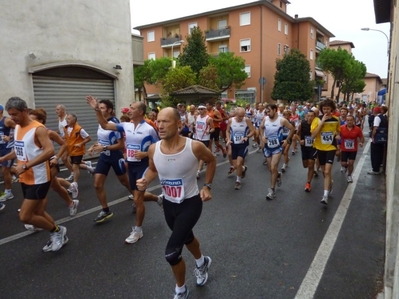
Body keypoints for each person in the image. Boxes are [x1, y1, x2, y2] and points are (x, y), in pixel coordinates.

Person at [136, 107, 216, 299]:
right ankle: (202, 261)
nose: (159, 125)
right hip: (169, 205)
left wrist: (207, 186)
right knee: (187, 237)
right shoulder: (153, 149)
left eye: (165, 121)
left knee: (172, 253)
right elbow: (153, 169)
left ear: (179, 124)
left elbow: (211, 161)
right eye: (158, 121)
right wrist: (146, 180)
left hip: (190, 203)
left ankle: (181, 289)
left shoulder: (194, 146)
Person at [86, 96, 160, 244]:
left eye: (132, 108)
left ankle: (138, 230)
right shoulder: (126, 125)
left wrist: (145, 154)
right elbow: (105, 125)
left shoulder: (149, 129)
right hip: (131, 166)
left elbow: (158, 148)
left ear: (140, 112)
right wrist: (96, 109)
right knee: (136, 195)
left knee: (138, 199)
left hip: (143, 166)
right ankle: (158, 199)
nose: (129, 110)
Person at [0, 97, 67, 251]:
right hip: (25, 177)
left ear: (25, 111)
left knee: (25, 216)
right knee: (38, 212)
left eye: (15, 114)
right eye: (10, 115)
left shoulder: (38, 128)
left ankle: (57, 231)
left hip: (39, 178)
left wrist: (27, 165)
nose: (13, 118)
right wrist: (4, 158)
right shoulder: (17, 128)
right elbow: (18, 150)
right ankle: (57, 233)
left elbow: (50, 150)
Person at [87, 99, 133, 223]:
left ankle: (136, 197)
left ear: (110, 110)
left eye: (102, 108)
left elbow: (121, 145)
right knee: (97, 184)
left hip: (115, 156)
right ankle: (106, 210)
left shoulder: (115, 124)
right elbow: (101, 139)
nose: (100, 109)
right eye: (99, 107)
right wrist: (94, 145)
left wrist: (104, 147)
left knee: (125, 182)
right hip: (104, 156)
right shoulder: (101, 121)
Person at [28, 108, 79, 218]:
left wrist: (57, 158)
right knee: (56, 187)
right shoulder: (29, 133)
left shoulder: (48, 132)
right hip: (37, 165)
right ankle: (71, 202)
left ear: (40, 121)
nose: (29, 122)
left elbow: (64, 144)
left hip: (50, 163)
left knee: (43, 191)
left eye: (32, 119)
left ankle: (38, 216)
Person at [259, 104, 295, 199]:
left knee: (273, 166)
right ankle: (278, 175)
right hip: (267, 147)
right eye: (266, 111)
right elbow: (261, 128)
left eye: (269, 110)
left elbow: (292, 129)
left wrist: (287, 140)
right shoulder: (265, 119)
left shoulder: (282, 120)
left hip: (277, 147)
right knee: (271, 169)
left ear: (275, 110)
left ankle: (272, 190)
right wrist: (262, 136)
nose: (267, 112)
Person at [311, 99, 341, 205]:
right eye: (324, 109)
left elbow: (338, 132)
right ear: (321, 110)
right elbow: (313, 135)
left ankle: (325, 196)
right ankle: (330, 183)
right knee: (324, 172)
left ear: (332, 109)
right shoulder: (316, 120)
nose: (326, 111)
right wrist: (322, 122)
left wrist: (338, 136)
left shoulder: (336, 119)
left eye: (328, 108)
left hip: (331, 148)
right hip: (320, 148)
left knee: (327, 171)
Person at [225, 107, 255, 190]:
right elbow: (227, 131)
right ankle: (243, 168)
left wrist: (247, 137)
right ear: (236, 114)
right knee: (235, 166)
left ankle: (238, 181)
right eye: (240, 116)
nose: (241, 118)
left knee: (238, 164)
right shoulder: (231, 120)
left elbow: (253, 130)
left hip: (243, 145)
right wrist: (228, 139)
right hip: (234, 144)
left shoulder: (246, 120)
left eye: (243, 116)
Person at [63, 113, 93, 186]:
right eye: (67, 119)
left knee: (75, 166)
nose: (67, 120)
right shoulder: (66, 128)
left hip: (78, 151)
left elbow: (89, 138)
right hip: (71, 150)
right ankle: (90, 168)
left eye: (69, 119)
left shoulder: (79, 129)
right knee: (75, 164)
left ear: (74, 120)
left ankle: (74, 184)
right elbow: (67, 137)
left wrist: (80, 144)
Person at [339, 115, 364, 183]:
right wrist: (337, 141)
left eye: (351, 120)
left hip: (353, 149)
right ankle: (345, 166)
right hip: (344, 149)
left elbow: (361, 137)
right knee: (344, 163)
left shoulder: (357, 129)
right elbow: (337, 135)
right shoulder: (341, 128)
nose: (349, 122)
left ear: (353, 121)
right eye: (348, 120)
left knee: (351, 163)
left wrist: (361, 142)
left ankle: (349, 175)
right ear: (346, 121)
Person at [296, 110, 317, 191]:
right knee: (306, 165)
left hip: (314, 147)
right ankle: (312, 170)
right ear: (306, 116)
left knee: (311, 163)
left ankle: (308, 183)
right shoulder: (302, 124)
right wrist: (299, 140)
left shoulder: (316, 125)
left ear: (314, 117)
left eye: (312, 116)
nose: (310, 117)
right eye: (308, 116)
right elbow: (296, 134)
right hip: (304, 146)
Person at [0, 104, 16, 202]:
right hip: (0, 148)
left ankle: (8, 192)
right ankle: (17, 173)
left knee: (5, 170)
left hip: (8, 148)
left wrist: (10, 138)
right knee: (7, 169)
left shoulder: (7, 121)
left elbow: (19, 129)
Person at [194, 104, 214, 179]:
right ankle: (198, 168)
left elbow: (213, 128)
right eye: (199, 109)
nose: (200, 110)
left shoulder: (208, 119)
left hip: (205, 138)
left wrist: (209, 131)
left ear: (205, 110)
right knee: (197, 154)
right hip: (197, 137)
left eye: (202, 109)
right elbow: (196, 125)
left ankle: (198, 171)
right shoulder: (197, 117)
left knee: (201, 155)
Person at [56, 104, 74, 181]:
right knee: (71, 160)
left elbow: (70, 132)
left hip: (69, 141)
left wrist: (62, 137)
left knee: (64, 158)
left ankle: (73, 173)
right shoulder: (59, 119)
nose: (56, 111)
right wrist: (54, 133)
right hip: (64, 142)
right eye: (56, 110)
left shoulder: (67, 119)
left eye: (58, 110)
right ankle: (88, 165)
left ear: (63, 110)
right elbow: (61, 131)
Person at [368, 106, 388, 175]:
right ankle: (379, 166)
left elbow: (375, 128)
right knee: (380, 153)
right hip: (382, 139)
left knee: (375, 154)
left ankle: (375, 169)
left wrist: (373, 137)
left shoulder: (377, 117)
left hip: (377, 138)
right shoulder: (385, 117)